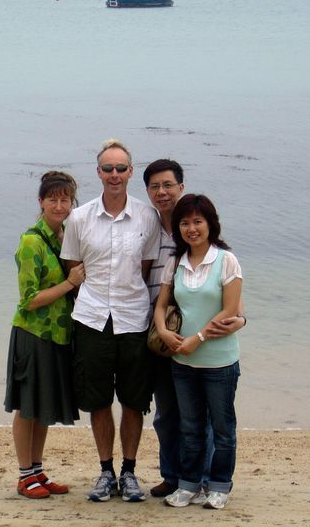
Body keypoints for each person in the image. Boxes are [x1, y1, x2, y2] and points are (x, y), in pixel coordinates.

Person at [61, 139, 160, 503]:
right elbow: (73, 267)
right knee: (99, 400)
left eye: (121, 168)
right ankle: (106, 471)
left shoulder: (146, 217)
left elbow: (145, 268)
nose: (114, 175)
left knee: (134, 401)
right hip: (91, 318)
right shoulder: (79, 218)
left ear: (131, 172)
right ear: (98, 172)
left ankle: (130, 471)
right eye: (108, 169)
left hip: (133, 318)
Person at [143, 160, 246, 499]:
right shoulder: (147, 231)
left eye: (168, 184)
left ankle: (211, 483)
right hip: (170, 348)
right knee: (175, 420)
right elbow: (159, 298)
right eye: (155, 186)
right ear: (147, 191)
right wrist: (165, 332)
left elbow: (232, 308)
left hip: (210, 354)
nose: (162, 192)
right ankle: (179, 480)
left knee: (217, 425)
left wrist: (201, 336)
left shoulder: (223, 258)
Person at [4, 171, 85, 499]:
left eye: (65, 199)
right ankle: (25, 476)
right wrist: (69, 283)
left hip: (59, 335)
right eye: (52, 198)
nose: (59, 204)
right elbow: (29, 300)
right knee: (27, 407)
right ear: (41, 202)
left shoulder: (66, 235)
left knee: (43, 406)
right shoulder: (31, 241)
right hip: (33, 333)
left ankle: (37, 470)